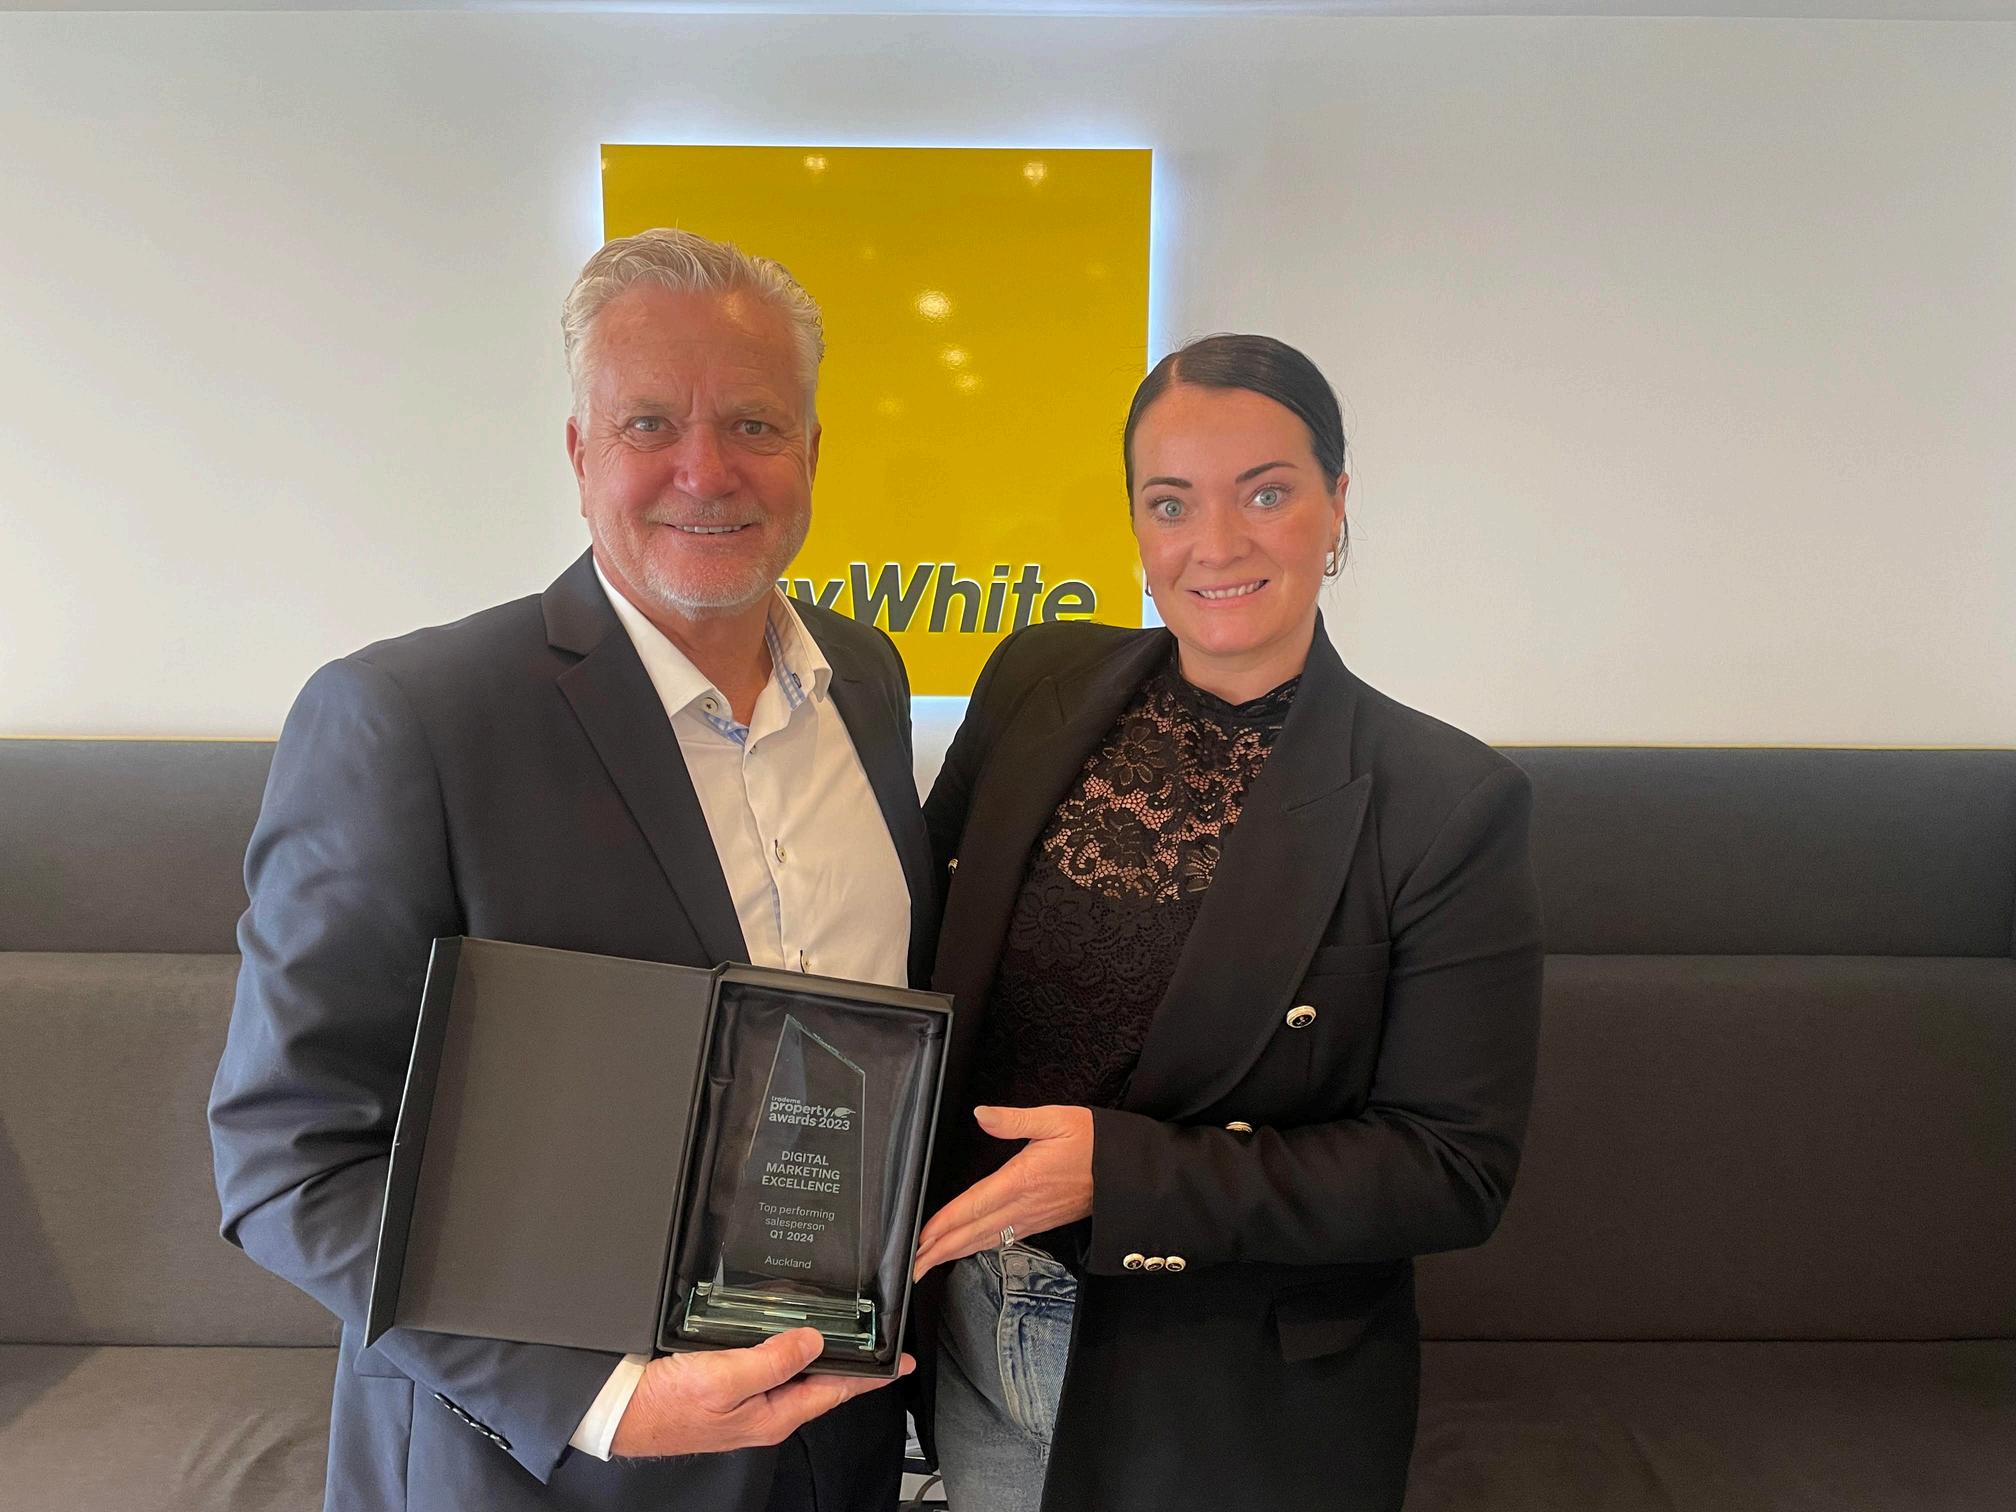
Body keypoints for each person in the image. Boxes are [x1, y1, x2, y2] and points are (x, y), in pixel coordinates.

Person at [209, 229, 933, 1512]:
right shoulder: (413, 719)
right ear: (579, 451)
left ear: (812, 454)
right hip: (541, 1468)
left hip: (835, 1445)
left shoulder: (863, 681)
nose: (705, 470)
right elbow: (290, 1155)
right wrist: (598, 1398)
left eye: (754, 424)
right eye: (651, 422)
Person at [910, 334, 1545, 1512]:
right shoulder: (1034, 681)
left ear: (1336, 505)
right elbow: (916, 947)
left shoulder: (1446, 802)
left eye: (1265, 493)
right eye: (1172, 502)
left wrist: (1128, 1176)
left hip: (1222, 1384)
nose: (1215, 544)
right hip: (969, 1324)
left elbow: (1452, 1169)